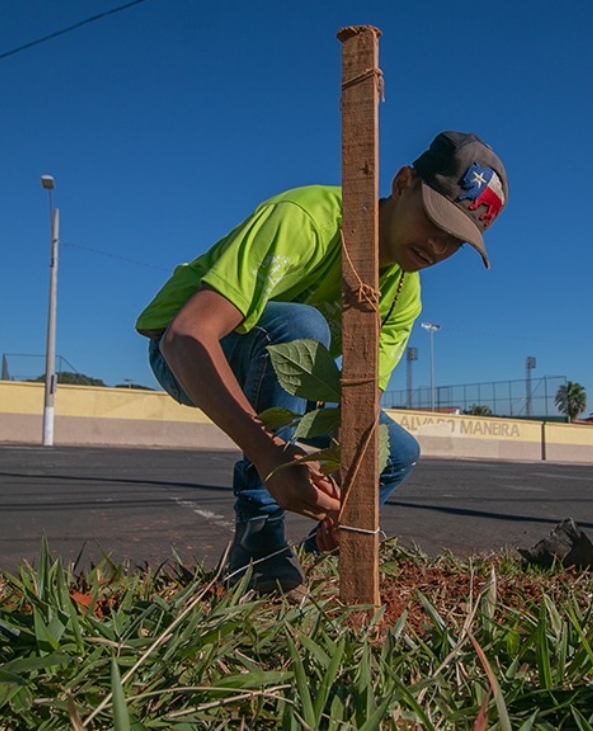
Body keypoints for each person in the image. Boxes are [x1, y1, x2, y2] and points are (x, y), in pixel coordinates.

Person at [136, 131, 509, 594]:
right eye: (436, 219)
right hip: (186, 349)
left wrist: (343, 482)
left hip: (274, 368)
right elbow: (186, 336)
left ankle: (316, 554)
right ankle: (259, 541)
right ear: (403, 182)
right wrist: (271, 457)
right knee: (301, 327)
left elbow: (358, 405)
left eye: (454, 241)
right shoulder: (306, 219)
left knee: (392, 453)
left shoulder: (402, 296)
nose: (436, 246)